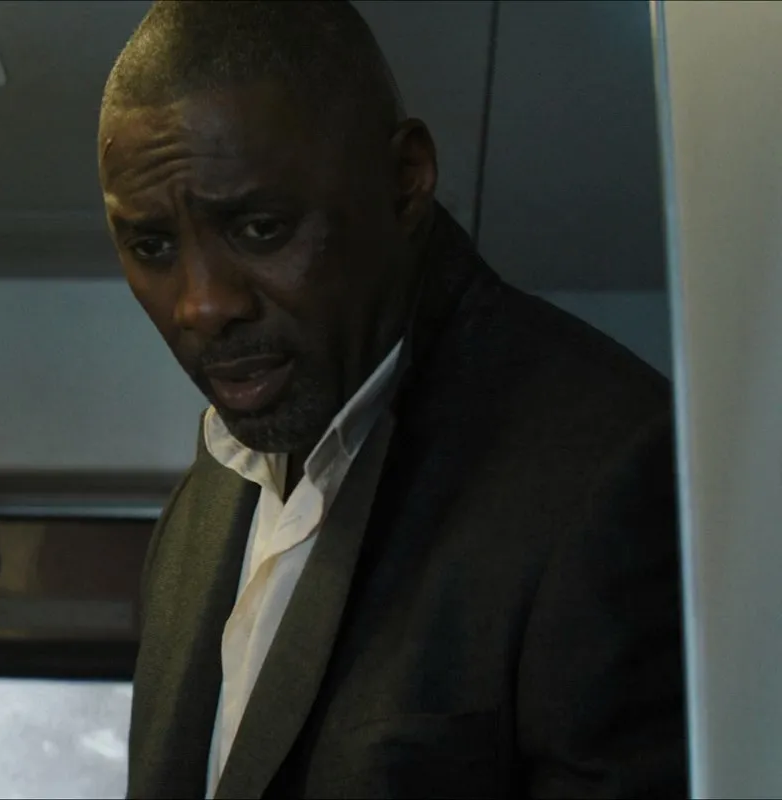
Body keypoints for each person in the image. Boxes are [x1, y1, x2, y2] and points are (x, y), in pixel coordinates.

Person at [97, 2, 688, 798]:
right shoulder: (204, 503)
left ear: (406, 180)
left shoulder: (609, 472)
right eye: (151, 245)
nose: (202, 305)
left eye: (261, 228)